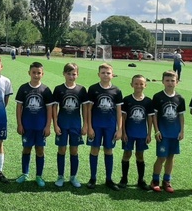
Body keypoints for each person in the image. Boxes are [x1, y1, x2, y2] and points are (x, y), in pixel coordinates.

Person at [15, 61, 54, 186]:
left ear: (42, 74)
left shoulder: (46, 90)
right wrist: (19, 124)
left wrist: (48, 126)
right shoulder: (23, 88)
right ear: (29, 73)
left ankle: (39, 176)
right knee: (26, 149)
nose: (36, 75)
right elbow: (19, 107)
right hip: (27, 125)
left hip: (40, 126)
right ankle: (25, 173)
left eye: (39, 73)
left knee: (40, 150)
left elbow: (50, 109)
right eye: (34, 72)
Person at [86, 63, 123, 191]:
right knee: (94, 150)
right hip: (96, 125)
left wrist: (120, 129)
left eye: (108, 73)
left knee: (108, 150)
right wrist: (89, 127)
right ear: (98, 74)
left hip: (110, 126)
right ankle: (93, 178)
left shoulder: (116, 91)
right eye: (103, 73)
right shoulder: (93, 89)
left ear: (112, 75)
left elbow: (119, 111)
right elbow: (89, 110)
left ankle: (109, 179)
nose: (106, 75)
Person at [52, 63, 89, 188]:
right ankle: (60, 176)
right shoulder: (58, 89)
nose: (71, 76)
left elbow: (85, 108)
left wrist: (85, 125)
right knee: (61, 150)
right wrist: (55, 125)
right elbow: (54, 108)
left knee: (74, 150)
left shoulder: (81, 90)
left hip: (75, 125)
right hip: (62, 124)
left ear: (77, 75)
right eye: (69, 74)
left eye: (74, 74)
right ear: (64, 74)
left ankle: (73, 176)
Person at [150, 70, 185, 193]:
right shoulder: (158, 97)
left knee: (171, 157)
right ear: (163, 81)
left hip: (174, 133)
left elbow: (180, 116)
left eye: (172, 81)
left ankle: (167, 181)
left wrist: (182, 131)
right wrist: (156, 130)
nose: (170, 83)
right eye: (167, 80)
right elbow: (154, 115)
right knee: (161, 157)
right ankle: (155, 181)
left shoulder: (180, 98)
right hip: (163, 133)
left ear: (177, 82)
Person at [118, 74, 154, 190]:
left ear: (145, 85)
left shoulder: (148, 101)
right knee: (127, 154)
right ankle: (124, 179)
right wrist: (123, 132)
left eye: (141, 84)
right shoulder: (127, 100)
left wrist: (149, 133)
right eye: (136, 83)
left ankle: (141, 180)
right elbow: (123, 118)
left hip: (141, 134)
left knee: (140, 155)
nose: (139, 86)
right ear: (132, 85)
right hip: (129, 133)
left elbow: (150, 118)